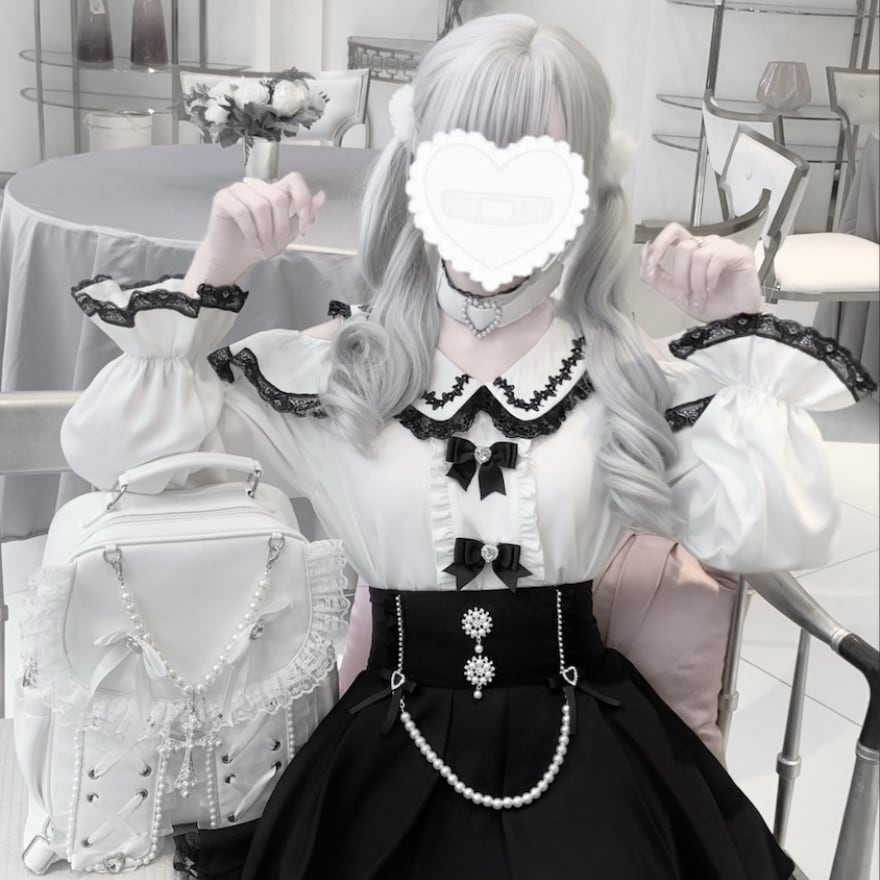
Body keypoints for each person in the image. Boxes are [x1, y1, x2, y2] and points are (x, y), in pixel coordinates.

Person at [61, 14, 875, 880]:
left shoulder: (630, 376)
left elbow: (775, 530)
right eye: (468, 157)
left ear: (587, 188)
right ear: (418, 171)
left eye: (538, 165)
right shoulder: (340, 374)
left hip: (590, 759)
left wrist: (741, 325)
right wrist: (211, 274)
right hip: (382, 759)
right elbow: (115, 451)